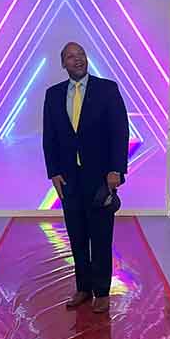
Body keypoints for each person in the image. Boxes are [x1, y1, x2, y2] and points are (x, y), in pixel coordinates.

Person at [42, 42, 129, 313]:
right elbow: (50, 137)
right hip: (69, 179)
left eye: (81, 55)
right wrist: (53, 173)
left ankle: (102, 291)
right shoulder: (53, 95)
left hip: (101, 176)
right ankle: (83, 288)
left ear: (86, 59)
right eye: (71, 56)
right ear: (63, 64)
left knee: (101, 235)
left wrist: (116, 170)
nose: (77, 60)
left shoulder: (107, 89)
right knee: (76, 235)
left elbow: (119, 131)